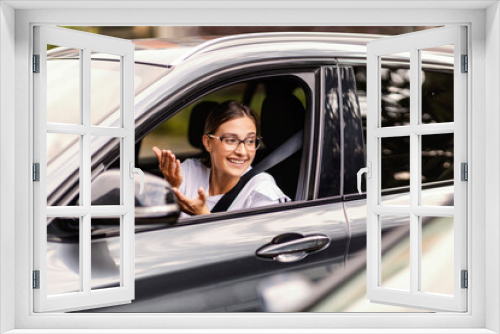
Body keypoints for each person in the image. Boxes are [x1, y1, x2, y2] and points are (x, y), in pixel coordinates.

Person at [153, 101, 290, 217]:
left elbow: (250, 248)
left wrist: (203, 216)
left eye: (250, 141)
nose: (242, 152)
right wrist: (171, 187)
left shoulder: (261, 192)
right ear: (207, 143)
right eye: (231, 140)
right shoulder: (187, 172)